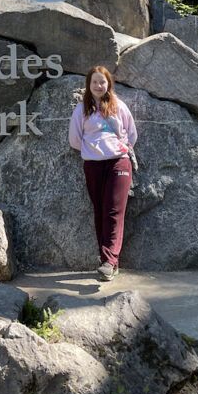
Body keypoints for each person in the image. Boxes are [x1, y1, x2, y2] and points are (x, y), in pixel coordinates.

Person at [68, 65, 138, 281]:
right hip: (93, 165)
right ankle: (109, 263)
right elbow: (75, 140)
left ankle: (109, 261)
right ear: (89, 85)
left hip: (119, 163)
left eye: (102, 82)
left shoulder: (119, 107)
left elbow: (132, 135)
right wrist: (94, 151)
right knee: (100, 211)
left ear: (108, 84)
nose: (99, 85)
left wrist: (115, 150)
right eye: (95, 82)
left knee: (113, 211)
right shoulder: (82, 109)